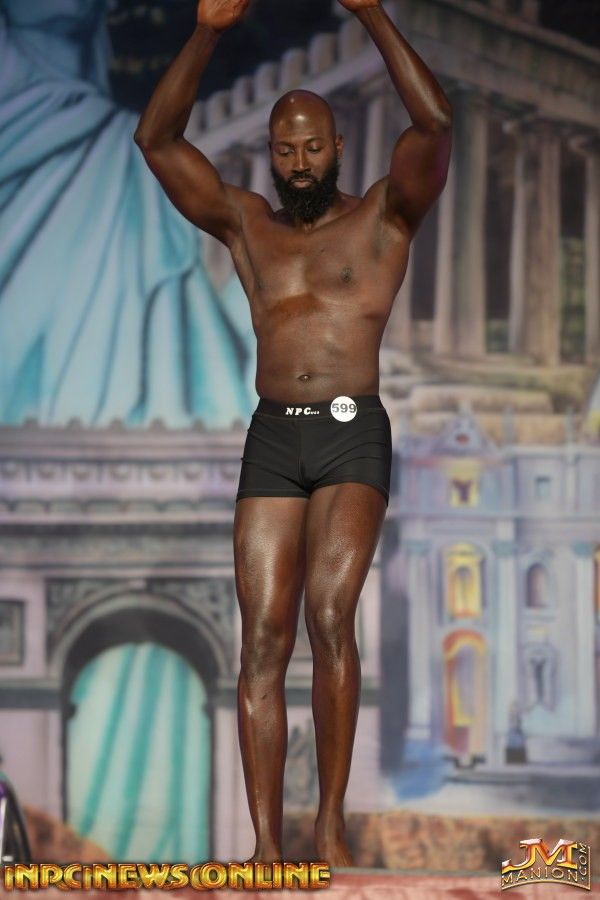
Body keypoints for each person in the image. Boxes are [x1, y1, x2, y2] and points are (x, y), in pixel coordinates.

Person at [135, 0, 452, 866]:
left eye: (313, 147)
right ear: (271, 155)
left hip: (352, 433)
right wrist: (206, 32)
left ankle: (331, 823)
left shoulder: (385, 216)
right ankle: (267, 847)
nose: (299, 162)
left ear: (338, 146)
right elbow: (156, 141)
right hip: (274, 437)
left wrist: (372, 14)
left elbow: (435, 122)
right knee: (261, 641)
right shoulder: (248, 224)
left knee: (329, 614)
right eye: (285, 149)